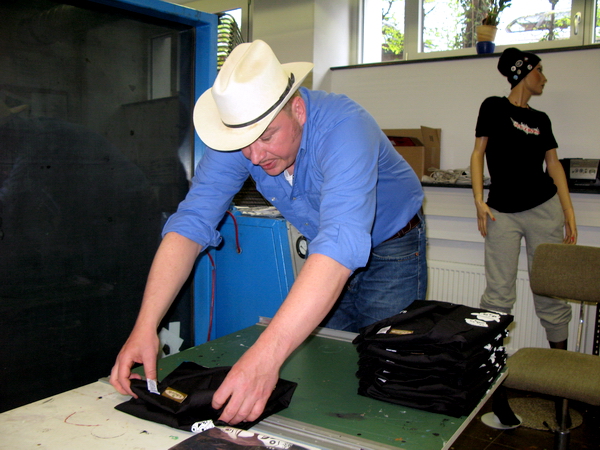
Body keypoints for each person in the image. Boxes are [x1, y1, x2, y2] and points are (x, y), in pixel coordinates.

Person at [110, 40, 427, 425]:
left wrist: (263, 357)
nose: (256, 157)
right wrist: (146, 325)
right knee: (324, 365)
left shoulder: (345, 127)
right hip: (327, 253)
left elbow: (342, 240)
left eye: (267, 137)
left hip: (391, 244)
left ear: (297, 108)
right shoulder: (245, 136)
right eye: (245, 143)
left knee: (386, 372)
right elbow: (191, 223)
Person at [470, 47, 577, 352]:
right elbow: (478, 153)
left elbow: (553, 164)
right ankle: (490, 372)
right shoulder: (492, 107)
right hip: (500, 212)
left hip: (545, 208)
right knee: (497, 294)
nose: (543, 78)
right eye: (539, 71)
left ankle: (561, 377)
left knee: (549, 289)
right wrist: (478, 199)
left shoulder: (542, 119)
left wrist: (568, 210)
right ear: (522, 72)